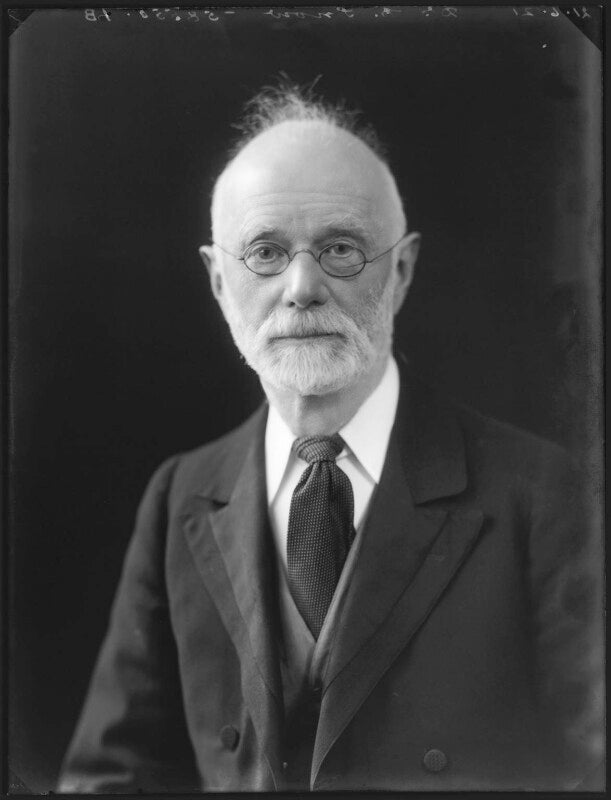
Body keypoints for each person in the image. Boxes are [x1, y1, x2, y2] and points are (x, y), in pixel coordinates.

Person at [58, 82, 603, 793]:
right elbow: (111, 776)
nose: (301, 287)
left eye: (341, 249)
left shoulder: (543, 493)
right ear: (218, 281)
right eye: (264, 252)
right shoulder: (180, 496)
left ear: (400, 271)